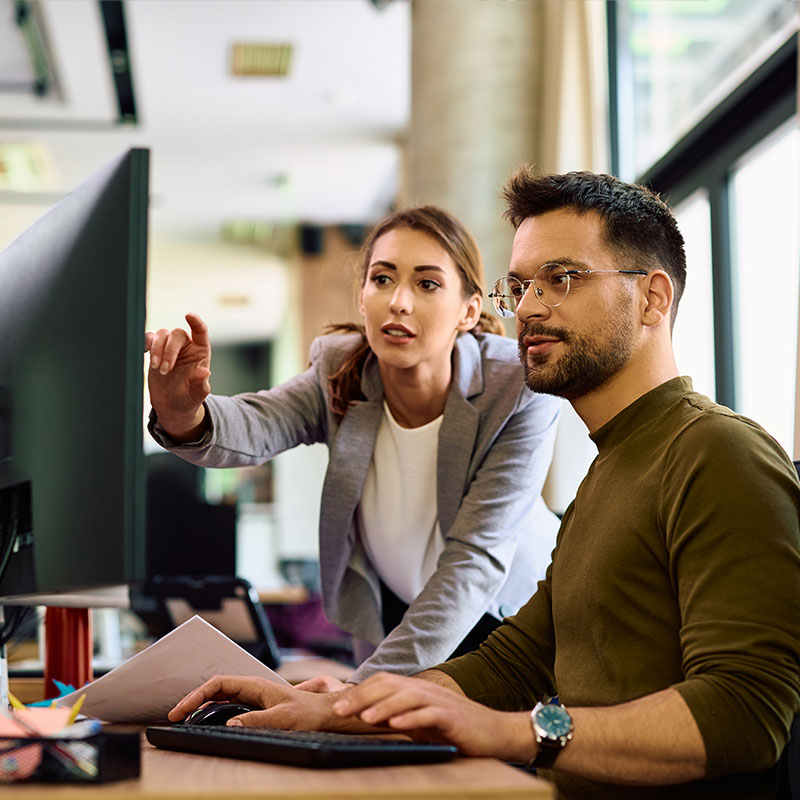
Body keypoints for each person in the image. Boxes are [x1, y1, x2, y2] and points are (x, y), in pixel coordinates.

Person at [168, 171, 800, 799]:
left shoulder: (720, 452)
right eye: (520, 285)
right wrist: (339, 710)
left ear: (653, 298)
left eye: (562, 279)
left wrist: (520, 733)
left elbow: (746, 714)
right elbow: (515, 661)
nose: (527, 307)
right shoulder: (606, 472)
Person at [146, 205, 562, 682]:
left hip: (510, 625)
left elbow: (475, 561)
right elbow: (258, 423)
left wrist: (358, 691)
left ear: (468, 311)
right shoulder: (340, 370)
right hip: (399, 622)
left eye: (427, 284)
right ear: (362, 298)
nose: (398, 301)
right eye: (382, 279)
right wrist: (185, 414)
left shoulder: (516, 387)